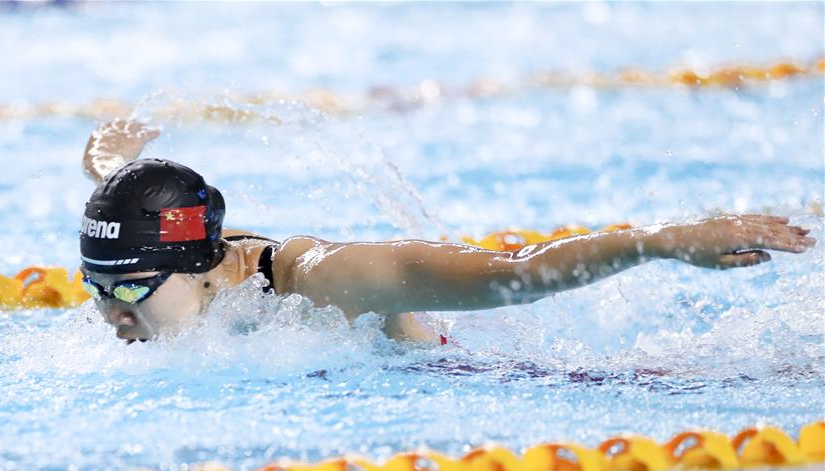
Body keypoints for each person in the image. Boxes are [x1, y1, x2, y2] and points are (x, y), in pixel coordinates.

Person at [79, 119, 816, 344]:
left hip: (483, 380)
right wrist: (114, 162)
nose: (113, 314)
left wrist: (657, 240)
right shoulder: (180, 259)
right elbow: (129, 207)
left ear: (204, 265)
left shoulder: (324, 280)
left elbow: (516, 274)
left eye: (132, 289)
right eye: (98, 288)